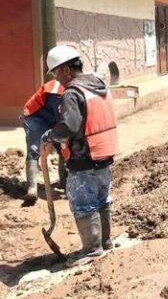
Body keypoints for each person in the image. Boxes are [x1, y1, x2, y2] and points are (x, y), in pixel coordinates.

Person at [41, 46, 119, 266]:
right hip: (104, 152)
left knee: (83, 203)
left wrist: (51, 135)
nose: (57, 79)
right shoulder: (99, 84)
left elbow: (69, 125)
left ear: (66, 70)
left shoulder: (72, 93)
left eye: (56, 73)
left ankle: (93, 250)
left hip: (85, 157)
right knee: (102, 199)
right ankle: (105, 241)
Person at [20, 79, 64, 202]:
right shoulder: (56, 91)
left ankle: (65, 183)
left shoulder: (71, 88)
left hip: (52, 119)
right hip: (35, 116)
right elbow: (64, 120)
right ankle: (32, 189)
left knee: (63, 147)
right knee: (34, 149)